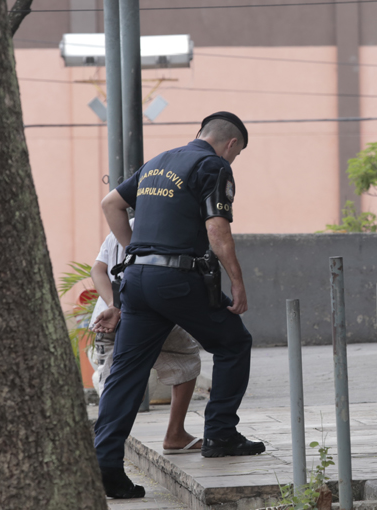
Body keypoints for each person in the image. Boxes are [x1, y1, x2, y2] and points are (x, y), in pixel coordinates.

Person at [93, 112, 264, 499]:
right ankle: (220, 433)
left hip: (136, 282)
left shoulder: (158, 162)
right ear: (231, 144)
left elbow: (110, 204)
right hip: (178, 280)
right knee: (233, 343)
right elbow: (217, 229)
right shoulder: (213, 165)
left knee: (126, 371)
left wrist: (134, 248)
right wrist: (237, 283)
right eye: (235, 155)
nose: (232, 162)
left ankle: (105, 464)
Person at [89, 219, 204, 455]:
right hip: (147, 313)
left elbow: (97, 269)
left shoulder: (122, 225)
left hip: (107, 317)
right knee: (185, 358)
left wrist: (112, 304)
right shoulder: (165, 226)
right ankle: (175, 433)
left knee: (114, 382)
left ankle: (103, 445)